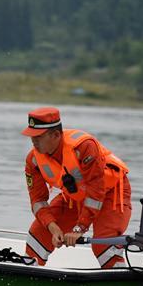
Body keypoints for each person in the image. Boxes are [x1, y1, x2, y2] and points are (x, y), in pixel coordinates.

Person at [22, 107, 131, 268]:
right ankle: (27, 278)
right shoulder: (33, 160)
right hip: (74, 197)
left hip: (111, 193)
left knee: (103, 245)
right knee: (37, 235)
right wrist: (53, 227)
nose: (33, 140)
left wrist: (79, 228)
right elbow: (38, 201)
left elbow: (96, 191)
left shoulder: (84, 146)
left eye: (38, 136)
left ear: (56, 135)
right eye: (32, 136)